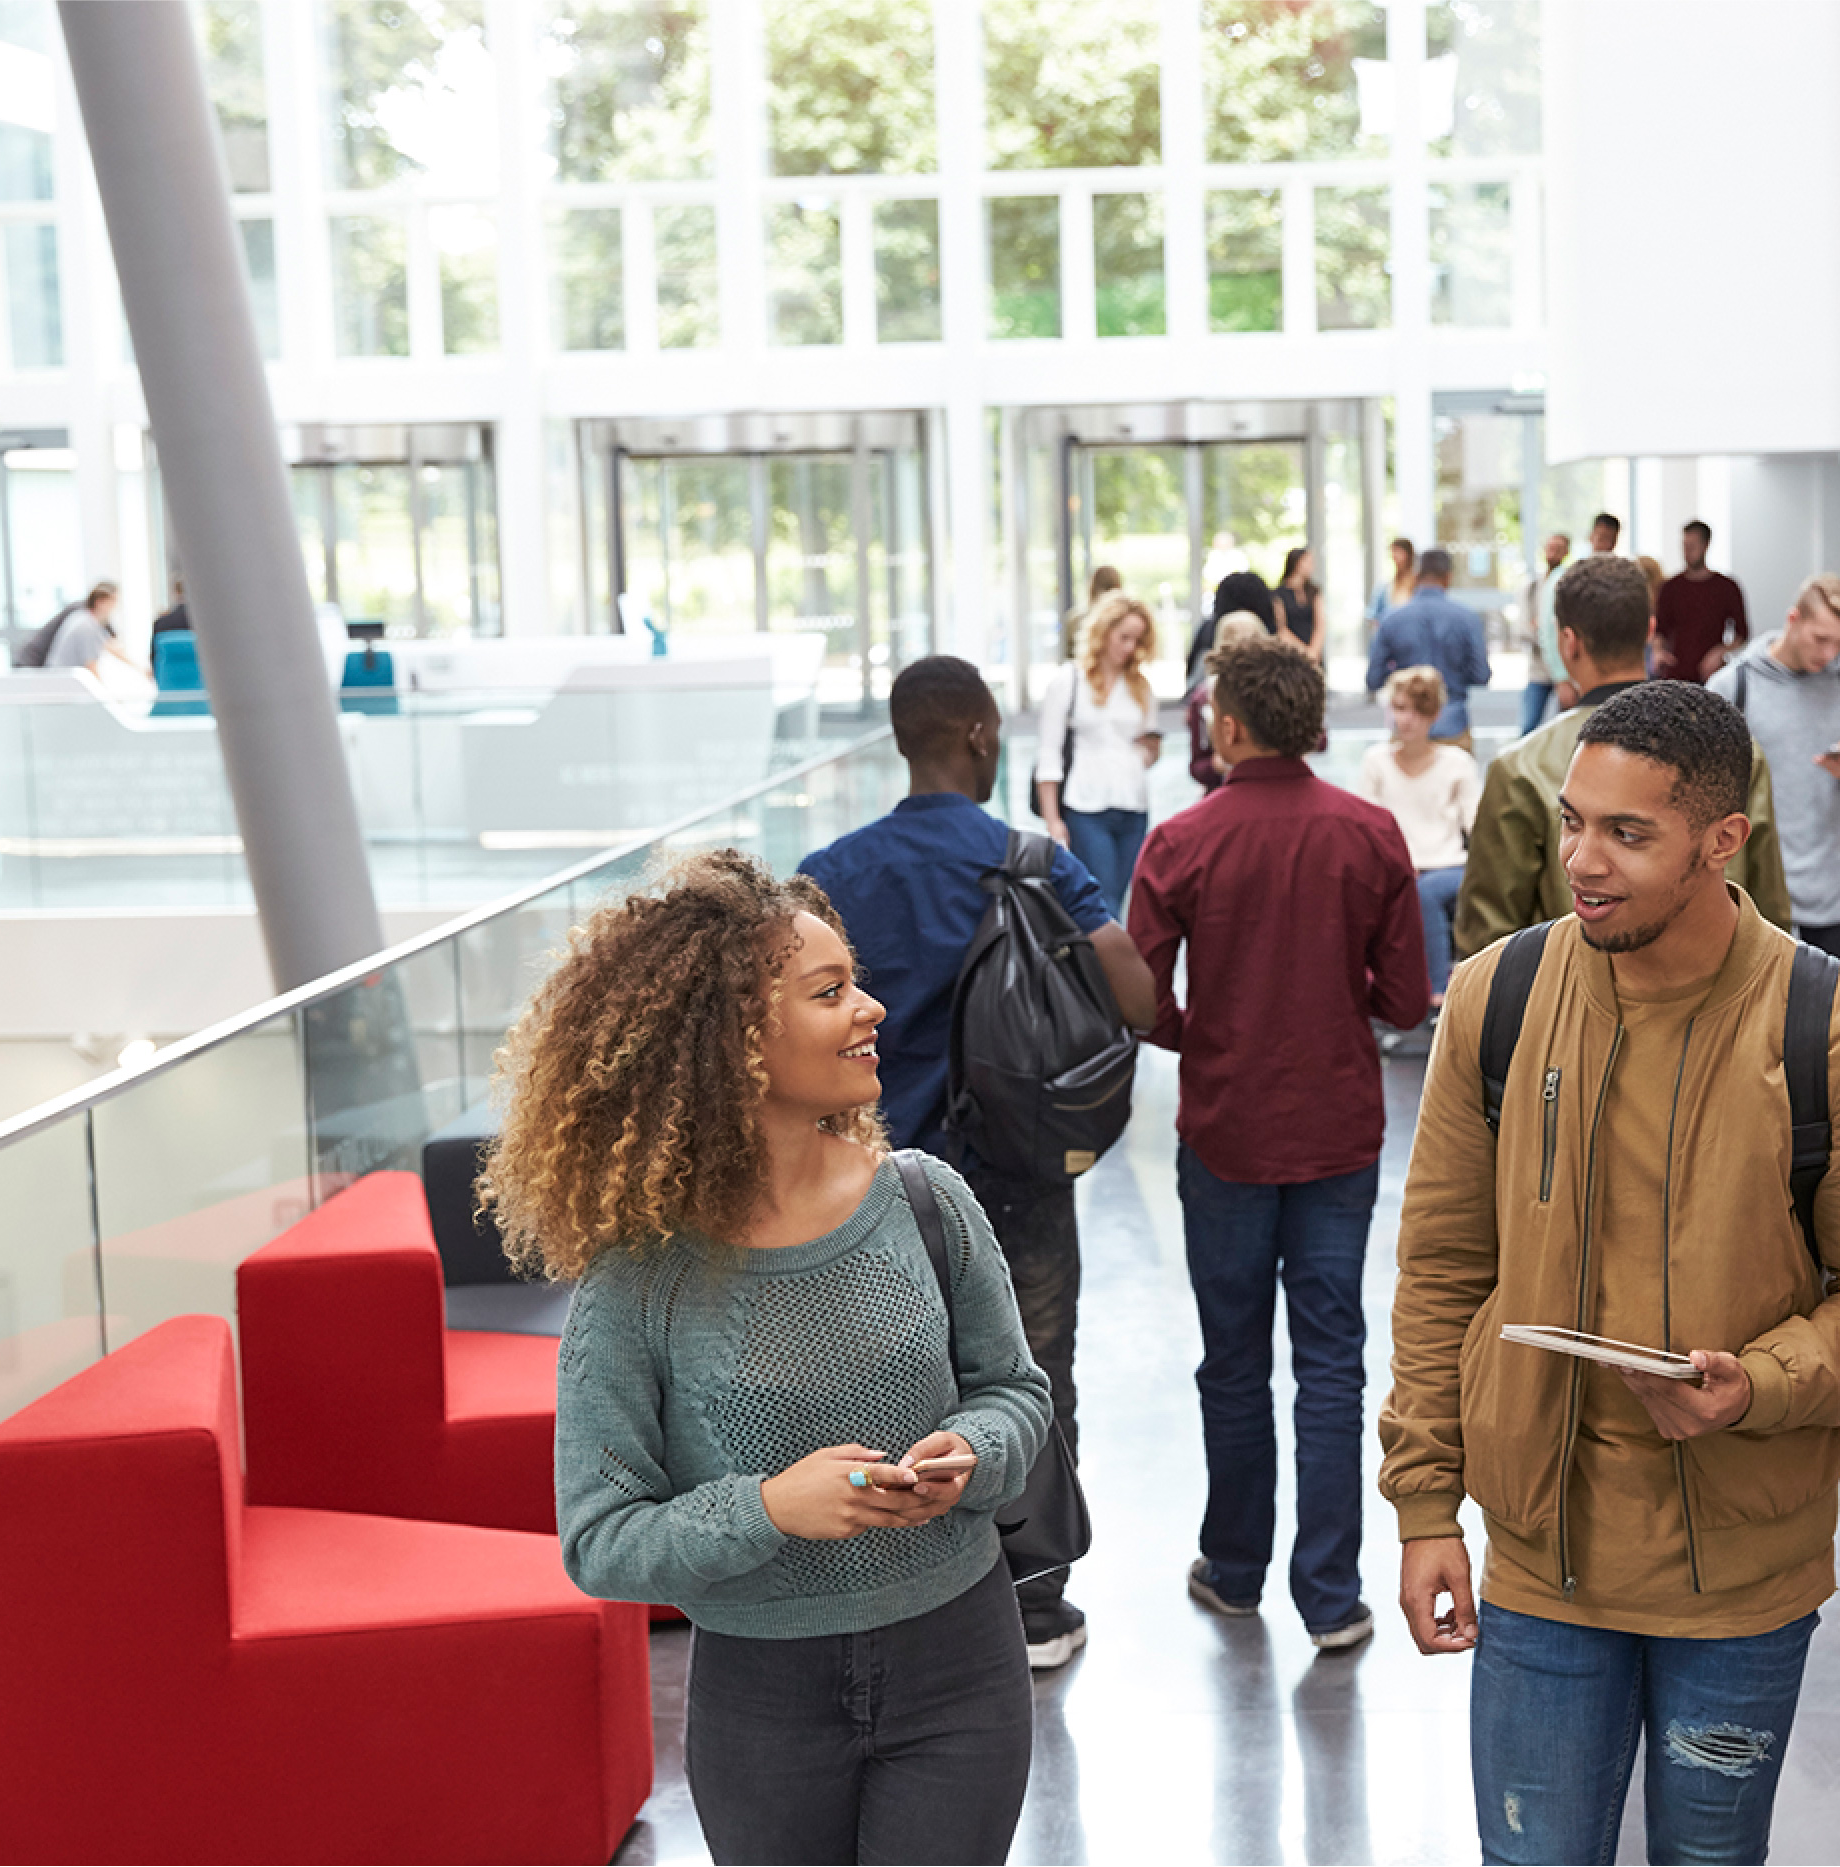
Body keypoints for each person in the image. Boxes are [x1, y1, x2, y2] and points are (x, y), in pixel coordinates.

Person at [1384, 680, 1840, 1866]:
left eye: (1626, 833)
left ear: (1720, 838)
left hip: (1739, 1573)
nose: (1581, 860)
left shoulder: (1838, 1032)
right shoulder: (1496, 998)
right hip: (1540, 1559)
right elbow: (1441, 1267)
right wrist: (1425, 1504)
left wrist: (1757, 1384)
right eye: (1572, 821)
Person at [484, 851, 1054, 1866]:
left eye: (854, 982)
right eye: (829, 992)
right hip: (762, 1703)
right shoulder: (639, 1278)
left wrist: (975, 1449)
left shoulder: (926, 1200)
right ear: (731, 1040)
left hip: (961, 1662)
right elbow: (600, 1538)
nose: (871, 1008)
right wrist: (770, 1508)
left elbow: (1014, 1390)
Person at [798, 655, 1157, 1673]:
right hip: (1016, 1169)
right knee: (1029, 1373)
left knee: (878, 1380)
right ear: (980, 736)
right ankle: (1033, 1601)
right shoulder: (1031, 861)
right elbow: (1135, 994)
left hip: (869, 1178)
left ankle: (904, 1597)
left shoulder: (830, 875)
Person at [1128, 636, 1430, 1652]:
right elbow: (1403, 1000)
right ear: (1311, 724)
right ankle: (1331, 1594)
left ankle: (1234, 1565)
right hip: (1338, 1131)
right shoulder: (1370, 832)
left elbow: (1138, 996)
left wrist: (1202, 1032)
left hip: (1224, 1130)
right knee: (1332, 1360)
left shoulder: (1178, 841)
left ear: (1225, 725)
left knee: (1231, 1360)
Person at [1456, 555, 1793, 959]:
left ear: (1567, 643)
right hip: (1720, 984)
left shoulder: (1521, 768)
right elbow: (1768, 907)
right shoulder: (1732, 751)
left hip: (1575, 991)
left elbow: (1490, 938)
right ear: (1650, 631)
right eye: (1571, 822)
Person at [1709, 574, 1840, 965]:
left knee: (1831, 1004)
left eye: (1839, 643)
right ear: (1793, 619)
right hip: (1760, 889)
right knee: (1764, 1004)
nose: (1829, 653)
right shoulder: (1732, 687)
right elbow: (1706, 793)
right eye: (1820, 639)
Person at [1035, 590, 1162, 911]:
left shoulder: (1141, 687)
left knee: (1117, 898)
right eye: (1124, 637)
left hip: (1133, 805)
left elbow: (1150, 747)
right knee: (1102, 900)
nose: (1130, 647)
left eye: (1137, 640)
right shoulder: (1069, 681)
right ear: (1104, 632)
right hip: (1086, 805)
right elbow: (1048, 754)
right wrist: (1052, 820)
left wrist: (1146, 753)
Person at [1359, 665, 1478, 1005]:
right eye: (1399, 708)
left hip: (1450, 867)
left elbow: (1477, 825)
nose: (1406, 719)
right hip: (1397, 867)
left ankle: (1437, 990)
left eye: (1416, 710)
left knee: (1424, 891)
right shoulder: (1375, 762)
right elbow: (1367, 829)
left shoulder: (1457, 763)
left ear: (1433, 715)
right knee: (1408, 889)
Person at [1364, 548, 1492, 751]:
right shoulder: (1467, 618)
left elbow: (1373, 678)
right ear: (1448, 577)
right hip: (1453, 728)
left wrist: (1400, 674)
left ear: (1416, 576)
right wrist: (1454, 675)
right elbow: (1481, 675)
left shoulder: (1390, 619)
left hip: (1406, 733)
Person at [1186, 610, 1273, 791]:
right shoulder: (1205, 698)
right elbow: (1198, 766)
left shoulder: (1276, 692)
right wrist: (1218, 764)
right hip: (1224, 788)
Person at [1655, 519, 1747, 683]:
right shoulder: (1670, 587)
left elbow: (1742, 634)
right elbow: (1660, 630)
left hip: (1711, 677)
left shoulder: (1726, 587)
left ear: (1705, 545)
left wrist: (1720, 652)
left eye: (1693, 546)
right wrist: (1658, 652)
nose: (1687, 552)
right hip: (1675, 676)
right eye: (1685, 546)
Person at [1518, 532, 1572, 734]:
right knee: (1529, 726)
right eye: (1550, 548)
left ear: (1566, 552)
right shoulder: (1531, 587)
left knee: (1565, 728)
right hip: (1538, 670)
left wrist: (1541, 627)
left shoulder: (1566, 581)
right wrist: (1540, 631)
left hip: (1564, 671)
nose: (1553, 552)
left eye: (1558, 549)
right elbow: (1524, 629)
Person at [16, 582, 129, 675]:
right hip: (34, 664)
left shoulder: (85, 617)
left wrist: (135, 666)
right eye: (114, 601)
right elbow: (91, 665)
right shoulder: (87, 625)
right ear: (101, 602)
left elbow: (108, 643)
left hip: (50, 669)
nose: (116, 606)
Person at [1275, 546, 1323, 663]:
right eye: (1308, 562)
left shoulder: (1314, 591)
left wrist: (1313, 651)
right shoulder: (1278, 594)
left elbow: (1320, 624)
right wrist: (1305, 652)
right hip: (1291, 654)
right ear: (1297, 563)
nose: (1312, 566)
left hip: (1314, 655)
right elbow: (1281, 629)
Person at [1368, 536, 1417, 624]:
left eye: (1399, 551)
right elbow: (1374, 615)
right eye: (1393, 551)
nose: (1395, 556)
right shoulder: (1385, 587)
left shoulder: (1419, 585)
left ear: (1409, 554)